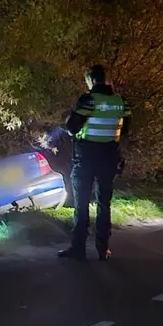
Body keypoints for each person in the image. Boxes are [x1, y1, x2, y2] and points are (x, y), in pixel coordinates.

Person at [58, 65, 131, 261]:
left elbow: (73, 127)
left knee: (81, 204)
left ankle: (78, 249)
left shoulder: (88, 100)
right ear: (107, 79)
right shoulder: (121, 102)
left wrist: (70, 124)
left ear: (91, 80)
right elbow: (124, 130)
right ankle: (103, 249)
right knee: (103, 204)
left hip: (86, 158)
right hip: (109, 157)